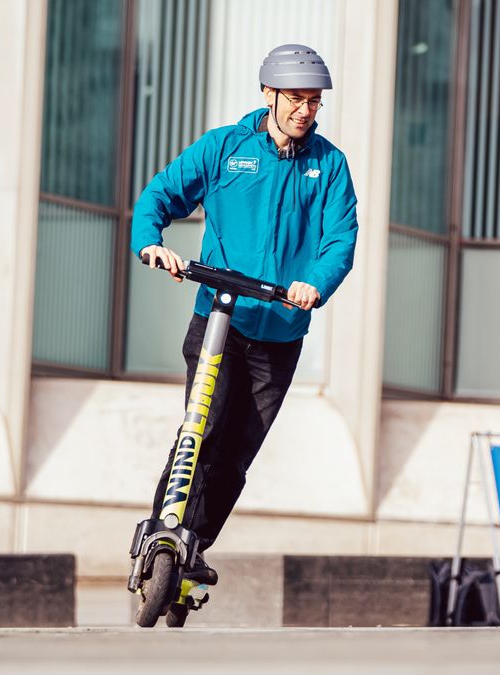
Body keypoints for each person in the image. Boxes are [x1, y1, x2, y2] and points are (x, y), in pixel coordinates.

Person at [130, 44, 359, 582]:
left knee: (236, 454)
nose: (305, 110)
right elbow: (159, 196)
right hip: (218, 322)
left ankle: (195, 546)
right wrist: (151, 243)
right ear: (269, 95)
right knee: (200, 431)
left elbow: (339, 241)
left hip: (280, 333)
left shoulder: (329, 165)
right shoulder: (224, 149)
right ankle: (165, 533)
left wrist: (315, 284)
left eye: (314, 101)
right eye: (296, 99)